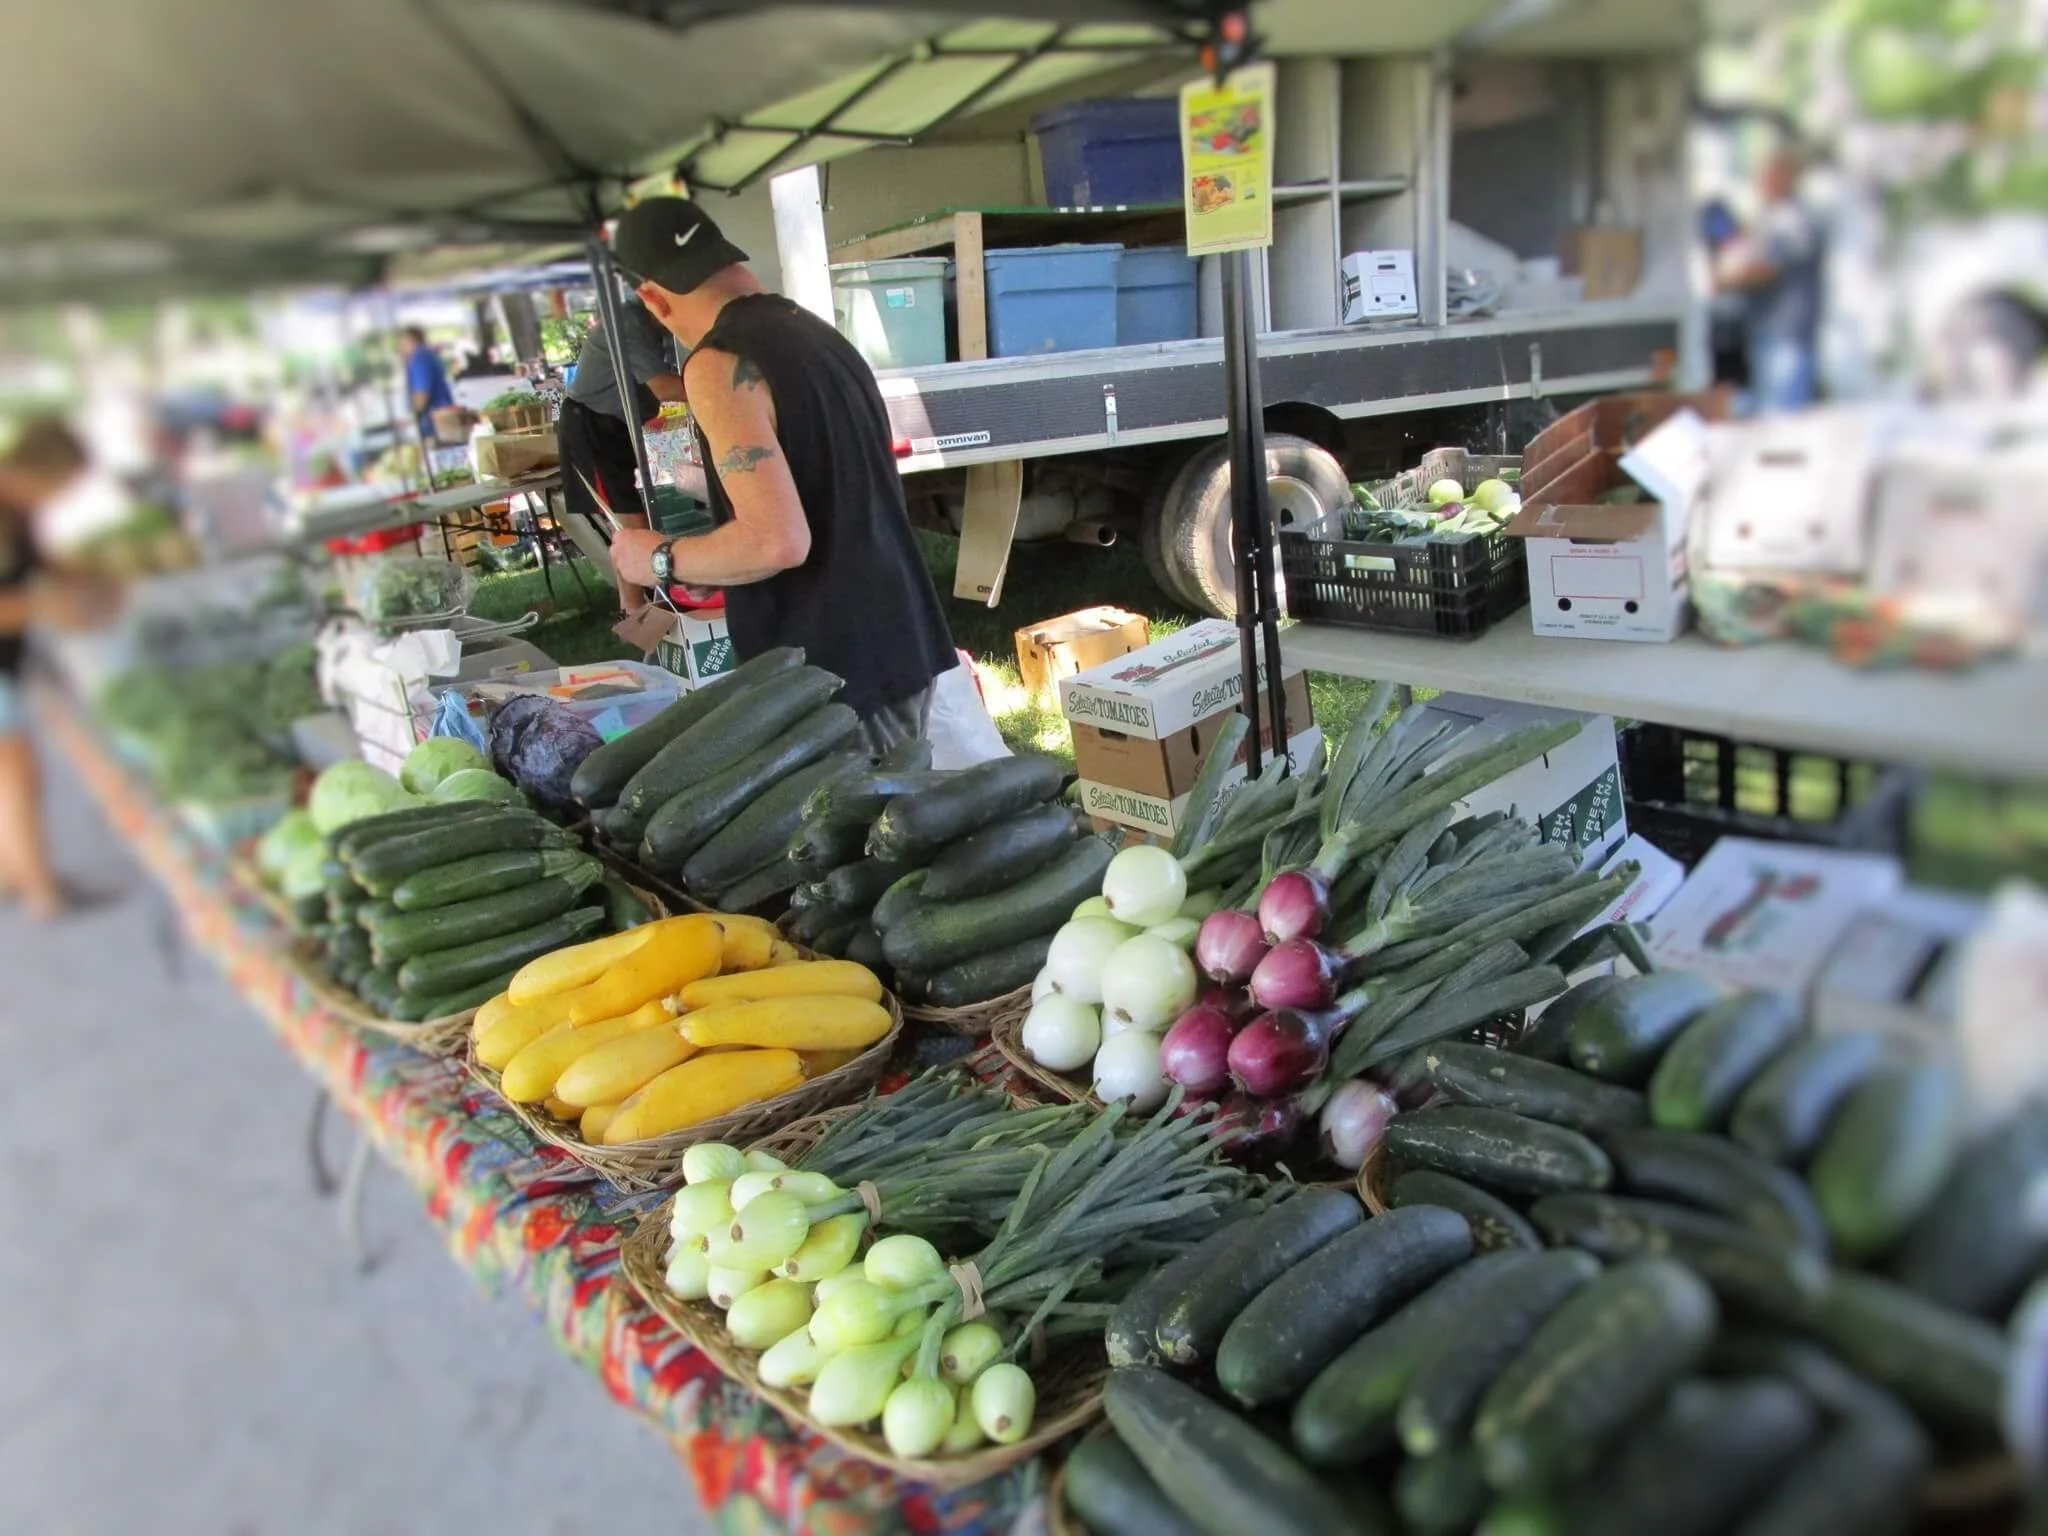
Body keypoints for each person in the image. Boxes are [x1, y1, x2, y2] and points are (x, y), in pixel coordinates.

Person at [606, 197, 955, 754]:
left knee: (863, 837)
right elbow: (822, 491)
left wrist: (659, 557)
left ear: (651, 298)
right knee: (900, 824)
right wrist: (715, 563)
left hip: (833, 670)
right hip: (892, 636)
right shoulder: (816, 332)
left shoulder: (718, 365)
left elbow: (779, 542)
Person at [0, 418, 105, 918]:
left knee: (11, 771)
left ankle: (12, 872)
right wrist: (42, 608)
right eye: (64, 484)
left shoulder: (19, 513)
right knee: (17, 770)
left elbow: (42, 565)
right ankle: (41, 891)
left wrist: (90, 579)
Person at [558, 303, 688, 539]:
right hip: (592, 426)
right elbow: (665, 388)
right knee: (633, 530)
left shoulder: (649, 328)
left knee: (635, 528)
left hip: (611, 426)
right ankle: (636, 574)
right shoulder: (629, 323)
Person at [1715, 149, 1825, 412]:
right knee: (1769, 418)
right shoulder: (1771, 216)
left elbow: (1767, 268)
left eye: (1767, 176)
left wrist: (1726, 281)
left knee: (1783, 423)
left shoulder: (1793, 219)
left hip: (1787, 335)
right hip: (1768, 332)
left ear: (1785, 178)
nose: (1760, 183)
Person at [397, 325, 455, 442]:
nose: (399, 347)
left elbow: (422, 393)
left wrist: (413, 417)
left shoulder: (419, 358)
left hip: (434, 421)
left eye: (401, 342)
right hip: (442, 417)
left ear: (409, 339)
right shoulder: (427, 354)